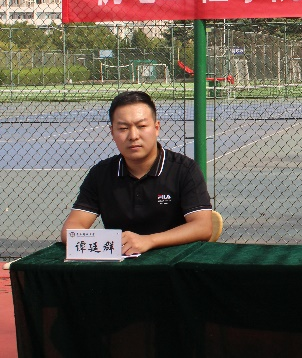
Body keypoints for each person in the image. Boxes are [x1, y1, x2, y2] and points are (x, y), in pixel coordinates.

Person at [61, 91, 213, 255]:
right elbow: (71, 229)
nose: (133, 136)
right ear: (112, 132)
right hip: (120, 264)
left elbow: (203, 227)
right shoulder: (100, 174)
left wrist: (148, 241)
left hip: (173, 263)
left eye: (141, 126)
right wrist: (111, 244)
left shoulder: (184, 169)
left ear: (156, 128)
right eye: (123, 128)